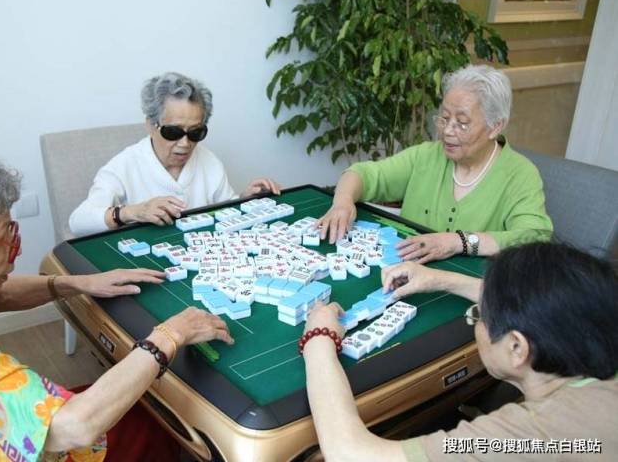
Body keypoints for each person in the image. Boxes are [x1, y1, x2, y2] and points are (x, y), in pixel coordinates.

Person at [0, 154, 233, 460]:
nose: (14, 250)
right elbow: (72, 428)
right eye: (4, 235)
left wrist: (76, 283)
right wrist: (170, 335)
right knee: (150, 423)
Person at [300, 242, 618, 461]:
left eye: (480, 315)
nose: (477, 320)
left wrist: (318, 338)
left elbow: (350, 454)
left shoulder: (530, 437)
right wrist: (442, 280)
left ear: (517, 348)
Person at [317, 64, 553, 264]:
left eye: (462, 123)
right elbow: (363, 174)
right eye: (444, 118)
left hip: (471, 287)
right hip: (404, 270)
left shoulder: (520, 174)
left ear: (495, 126)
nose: (447, 131)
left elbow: (534, 238)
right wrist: (342, 202)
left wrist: (459, 241)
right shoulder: (426, 156)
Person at [69, 72, 281, 236]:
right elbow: (78, 222)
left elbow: (226, 207)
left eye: (196, 132)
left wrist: (246, 200)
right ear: (151, 125)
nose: (185, 144)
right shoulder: (123, 166)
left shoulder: (209, 161)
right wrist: (131, 212)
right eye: (173, 132)